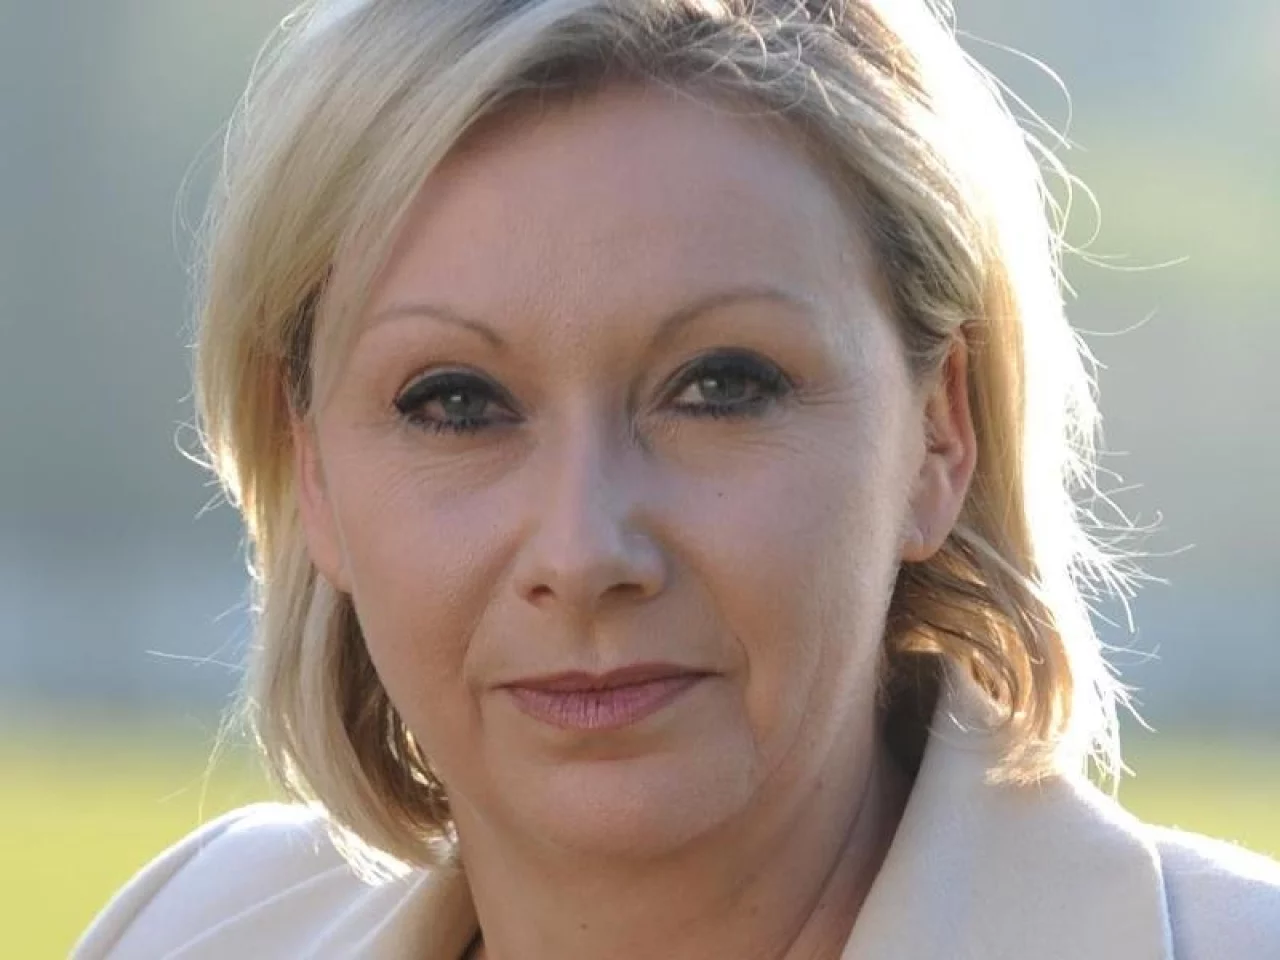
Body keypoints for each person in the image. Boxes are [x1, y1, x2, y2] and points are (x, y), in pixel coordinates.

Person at [76, 0, 1279, 957]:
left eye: (718, 386)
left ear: (937, 434)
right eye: (455, 403)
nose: (582, 551)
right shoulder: (188, 931)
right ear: (313, 472)